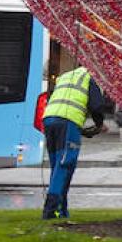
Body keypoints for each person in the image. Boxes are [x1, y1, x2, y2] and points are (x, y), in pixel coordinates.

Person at [40, 65, 113, 220]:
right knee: (65, 165)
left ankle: (62, 210)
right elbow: (97, 106)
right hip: (68, 122)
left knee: (57, 166)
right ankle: (51, 209)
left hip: (49, 119)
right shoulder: (89, 78)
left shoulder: (66, 76)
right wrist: (99, 124)